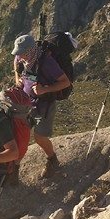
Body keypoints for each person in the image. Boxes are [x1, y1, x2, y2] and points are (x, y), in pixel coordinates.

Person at [12, 34, 71, 179]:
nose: (19, 56)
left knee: (40, 137)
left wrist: (45, 89)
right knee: (20, 135)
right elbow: (16, 66)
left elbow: (65, 82)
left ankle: (52, 160)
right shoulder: (22, 57)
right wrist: (17, 79)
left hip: (44, 104)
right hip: (26, 102)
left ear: (31, 50)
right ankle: (13, 169)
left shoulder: (47, 62)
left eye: (22, 53)